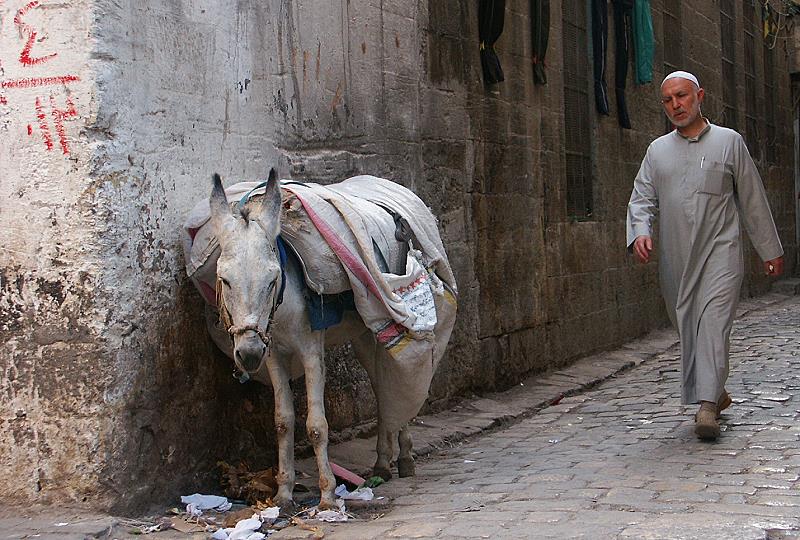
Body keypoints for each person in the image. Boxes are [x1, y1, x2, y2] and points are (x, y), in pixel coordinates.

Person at [626, 71, 784, 440]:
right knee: (688, 327)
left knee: (713, 323)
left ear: (700, 96)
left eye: (681, 96)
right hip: (677, 258)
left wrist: (769, 250)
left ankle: (706, 408)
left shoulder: (730, 143)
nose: (675, 105)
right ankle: (716, 390)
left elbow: (752, 198)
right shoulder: (657, 151)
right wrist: (640, 233)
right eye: (667, 100)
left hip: (721, 252)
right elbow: (641, 198)